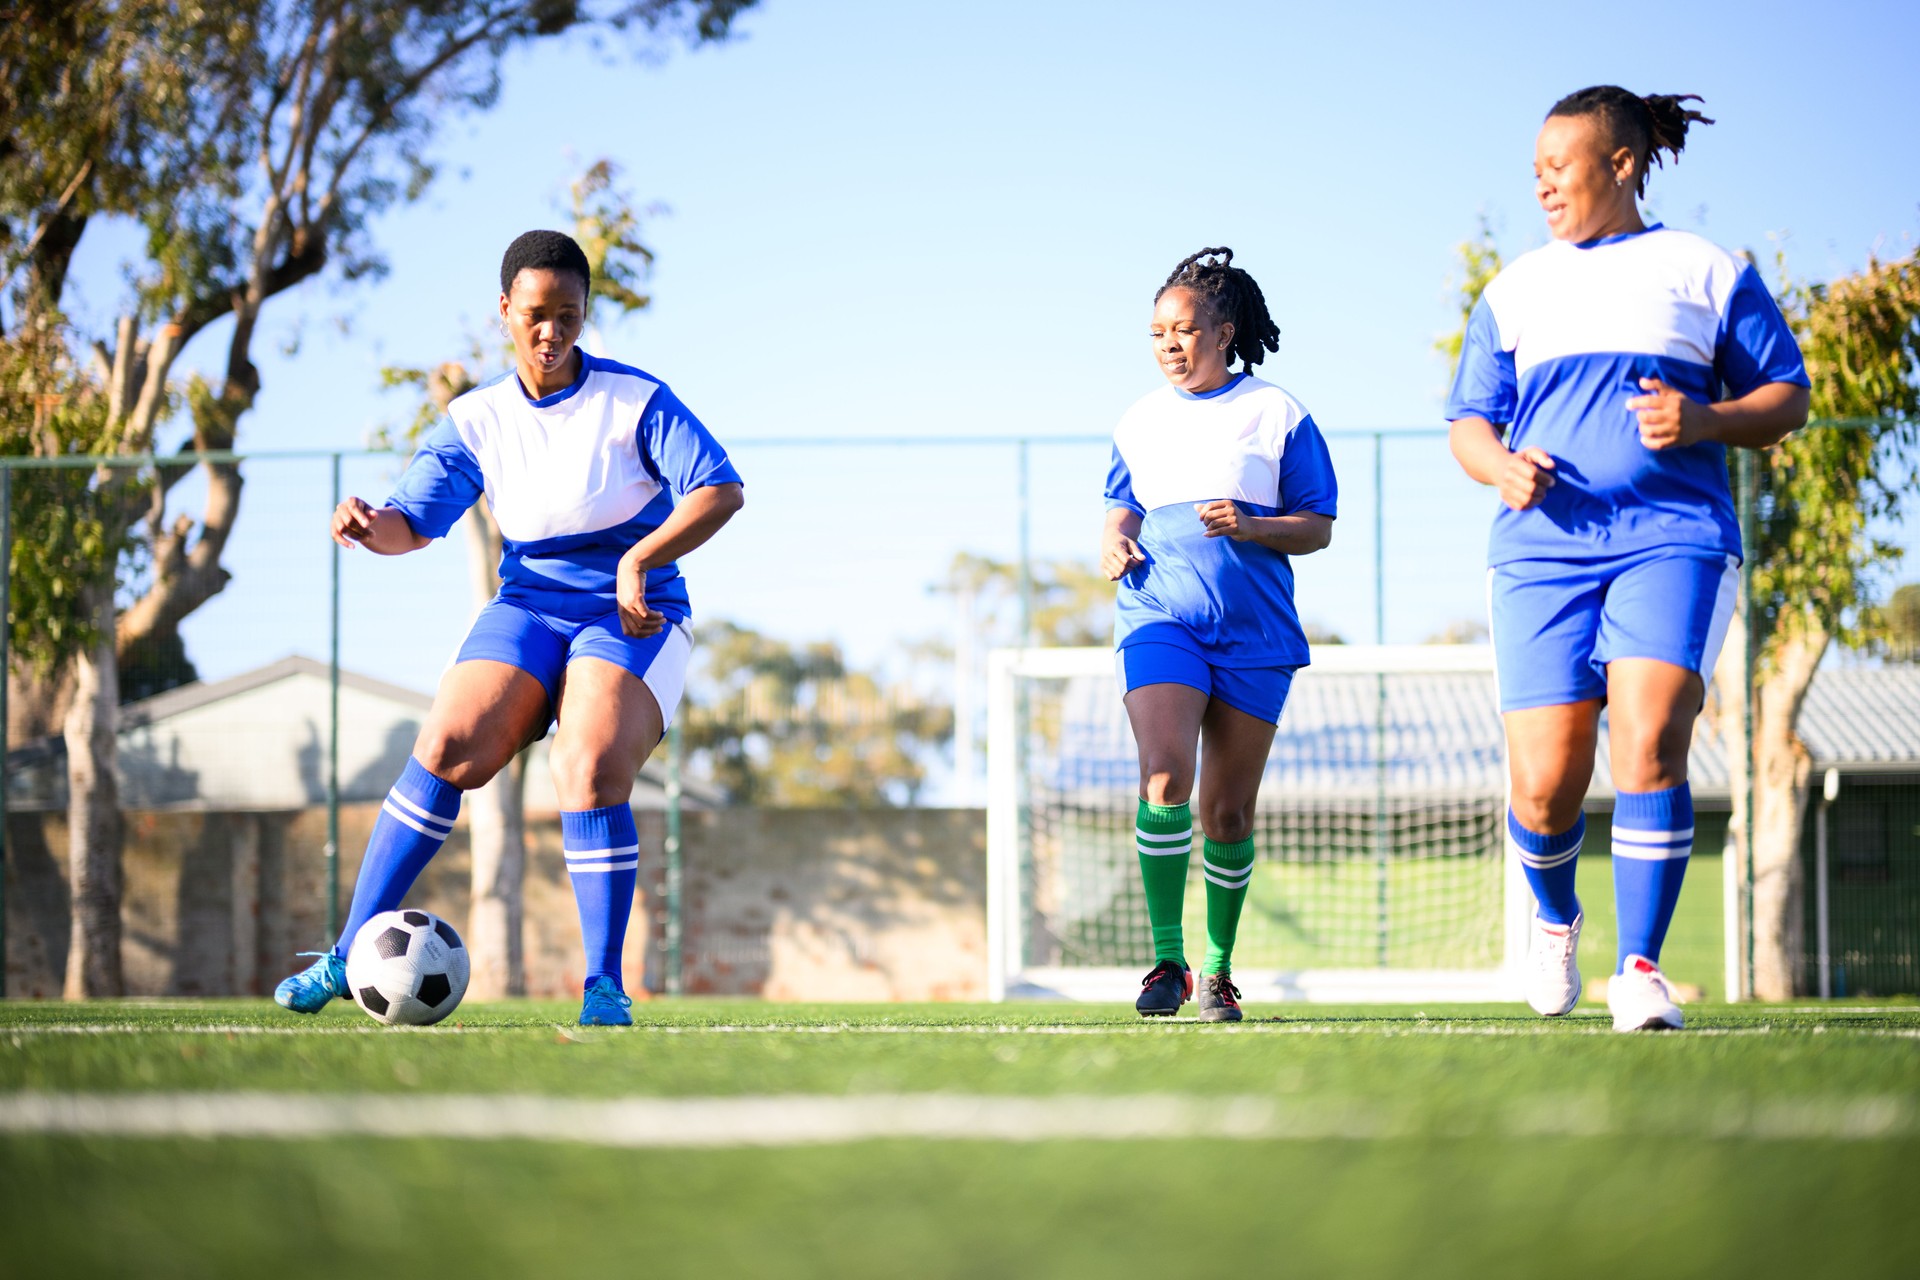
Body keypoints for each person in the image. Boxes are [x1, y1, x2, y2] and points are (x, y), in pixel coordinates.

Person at [274, 229, 744, 1026]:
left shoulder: (634, 402)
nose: (552, 331)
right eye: (535, 314)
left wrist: (640, 559)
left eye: (569, 314)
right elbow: (411, 524)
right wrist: (365, 522)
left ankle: (603, 986)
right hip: (528, 604)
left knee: (588, 765)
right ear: (504, 312)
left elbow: (719, 490)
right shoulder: (478, 419)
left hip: (634, 609)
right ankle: (348, 950)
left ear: (586, 313)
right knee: (447, 745)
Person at [1445, 88, 1809, 1031]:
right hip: (1541, 556)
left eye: (1557, 168)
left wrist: (1706, 419)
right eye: (1534, 172)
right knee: (1545, 781)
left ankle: (1641, 969)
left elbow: (1787, 396)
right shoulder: (1514, 288)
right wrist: (1502, 467)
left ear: (1621, 163)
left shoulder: (1705, 270)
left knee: (1650, 740)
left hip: (1673, 538)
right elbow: (1468, 424)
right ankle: (1557, 922)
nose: (1543, 187)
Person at [1102, 247, 1339, 1022]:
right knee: (1164, 775)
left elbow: (1318, 528)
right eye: (1157, 333)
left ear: (1225, 332)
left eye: (1186, 329)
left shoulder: (1278, 413)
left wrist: (1254, 523)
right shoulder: (1137, 419)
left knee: (1227, 815)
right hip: (1159, 613)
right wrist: (1115, 538)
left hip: (1255, 634)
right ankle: (1165, 960)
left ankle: (1216, 970)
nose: (1171, 344)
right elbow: (1121, 502)